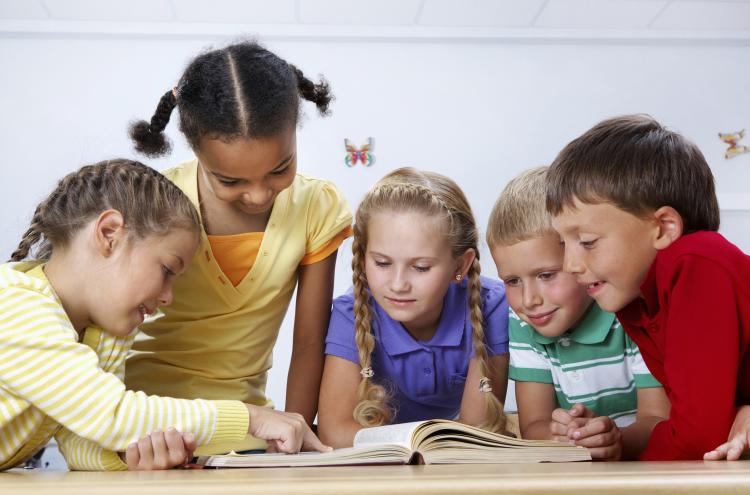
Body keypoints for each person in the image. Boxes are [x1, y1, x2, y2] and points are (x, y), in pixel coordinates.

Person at [0, 160, 327, 471]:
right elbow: (112, 414)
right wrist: (251, 418)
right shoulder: (16, 305)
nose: (168, 297)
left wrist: (133, 457)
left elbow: (84, 443)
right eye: (167, 270)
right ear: (110, 233)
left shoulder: (100, 333)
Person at [126, 41, 352, 454]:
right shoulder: (155, 202)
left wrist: (290, 437)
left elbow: (307, 342)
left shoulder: (316, 207)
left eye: (280, 169)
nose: (258, 195)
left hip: (248, 429)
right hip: (145, 422)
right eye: (230, 181)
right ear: (195, 150)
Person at [547, 114, 750, 460]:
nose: (571, 265)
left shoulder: (697, 263)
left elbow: (699, 437)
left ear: (663, 228)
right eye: (564, 244)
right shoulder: (637, 301)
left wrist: (622, 462)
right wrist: (617, 443)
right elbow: (703, 425)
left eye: (587, 241)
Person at [318, 168, 509, 448]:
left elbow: (476, 431)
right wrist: (417, 441)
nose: (397, 284)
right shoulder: (352, 313)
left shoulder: (490, 305)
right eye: (382, 263)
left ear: (460, 265)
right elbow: (334, 432)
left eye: (420, 267)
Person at [487, 166, 668, 460]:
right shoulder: (522, 323)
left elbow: (659, 419)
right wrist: (561, 435)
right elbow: (534, 424)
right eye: (512, 281)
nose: (530, 300)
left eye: (546, 275)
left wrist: (615, 440)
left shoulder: (629, 313)